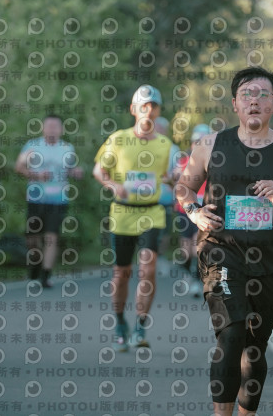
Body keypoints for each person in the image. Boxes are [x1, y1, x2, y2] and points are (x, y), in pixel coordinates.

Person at [175, 67, 273, 416]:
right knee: (231, 333)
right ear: (235, 104)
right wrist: (194, 212)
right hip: (220, 251)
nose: (254, 100)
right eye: (246, 94)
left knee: (253, 349)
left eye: (262, 94)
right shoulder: (209, 146)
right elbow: (184, 187)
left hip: (271, 261)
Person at [93, 85, 172, 352]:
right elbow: (99, 170)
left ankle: (140, 326)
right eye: (143, 106)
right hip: (123, 214)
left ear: (158, 111)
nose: (148, 110)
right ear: (133, 109)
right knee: (122, 273)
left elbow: (174, 175)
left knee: (148, 268)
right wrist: (114, 186)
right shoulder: (118, 139)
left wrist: (174, 179)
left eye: (153, 106)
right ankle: (119, 323)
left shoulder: (165, 145)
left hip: (152, 212)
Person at [15, 114, 84, 288]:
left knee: (52, 235)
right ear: (43, 128)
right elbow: (19, 167)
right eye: (49, 126)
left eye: (55, 127)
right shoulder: (32, 146)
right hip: (36, 198)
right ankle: (36, 264)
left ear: (61, 130)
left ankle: (45, 275)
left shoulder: (67, 148)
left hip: (58, 199)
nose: (52, 130)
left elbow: (69, 169)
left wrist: (75, 172)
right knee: (32, 239)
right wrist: (37, 175)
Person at [173, 123, 210, 298]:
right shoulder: (184, 161)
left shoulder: (213, 161)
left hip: (203, 209)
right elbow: (175, 180)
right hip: (184, 210)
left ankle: (196, 281)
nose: (198, 145)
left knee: (198, 246)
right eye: (196, 141)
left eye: (202, 141)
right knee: (186, 251)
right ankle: (188, 273)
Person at [156, 117, 180, 255]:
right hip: (147, 196)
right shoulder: (145, 146)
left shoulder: (173, 149)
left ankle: (161, 255)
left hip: (166, 195)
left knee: (165, 227)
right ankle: (148, 252)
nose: (158, 131)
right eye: (156, 128)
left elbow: (178, 174)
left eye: (161, 129)